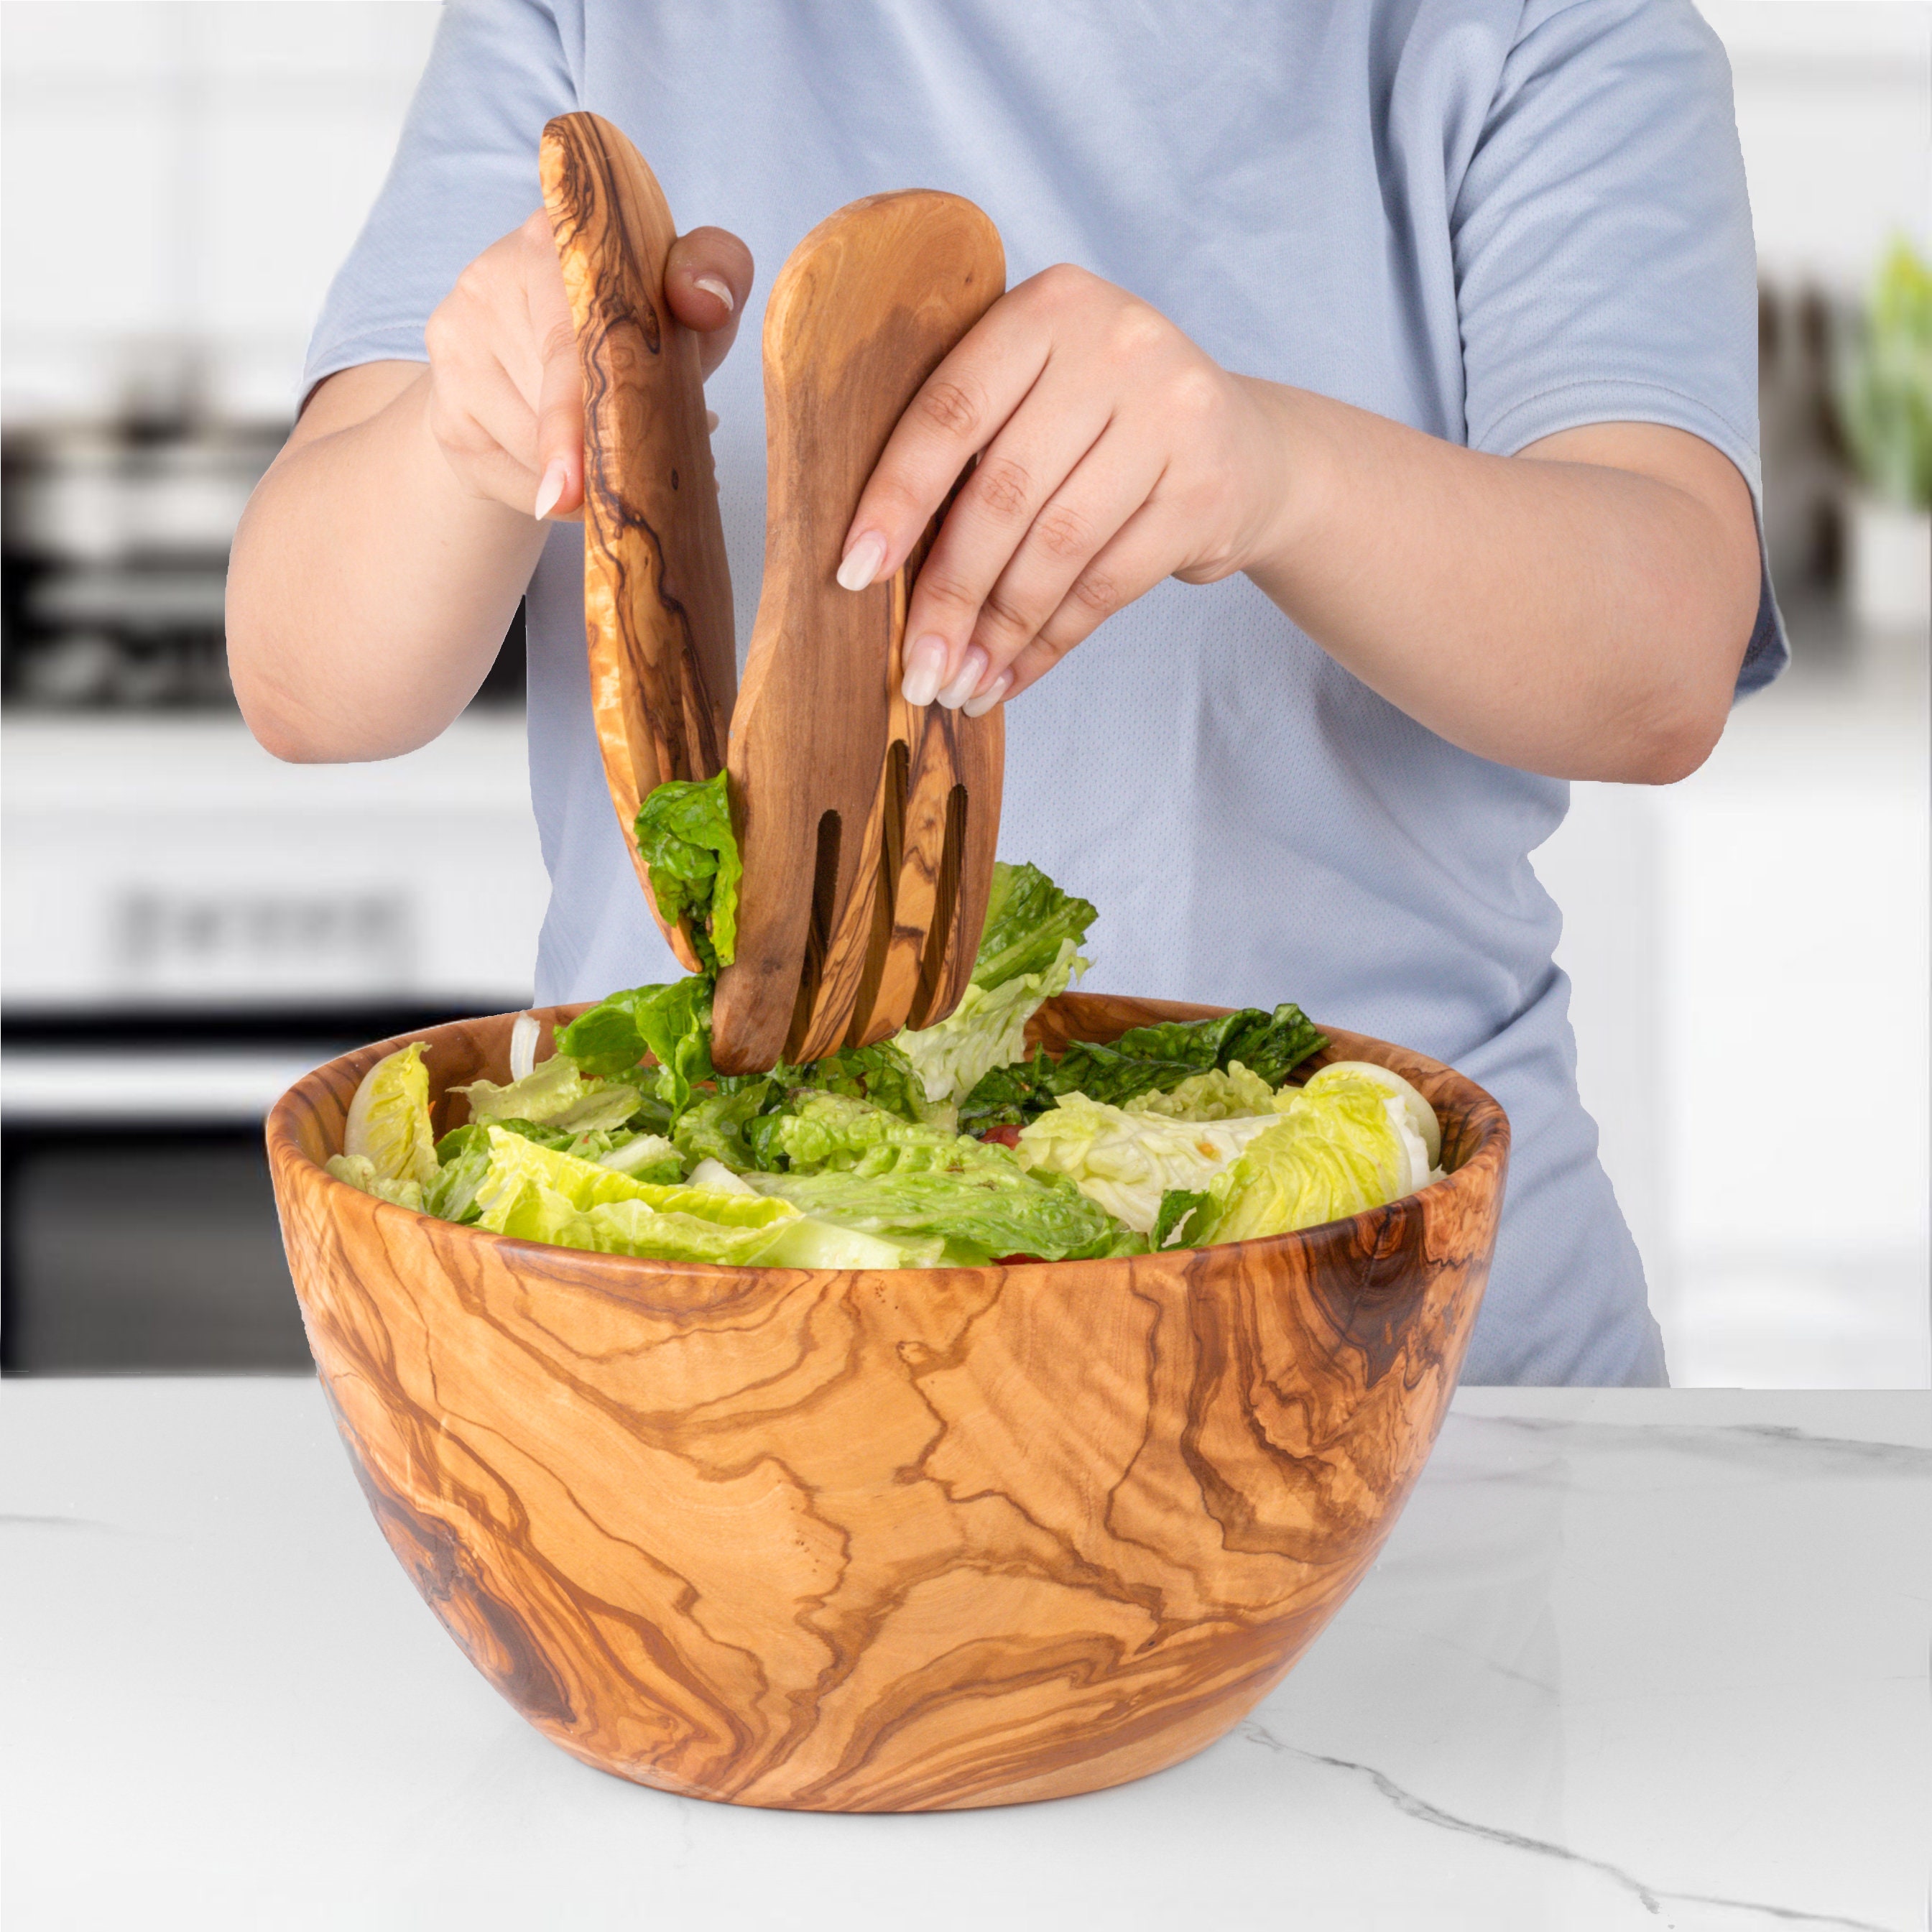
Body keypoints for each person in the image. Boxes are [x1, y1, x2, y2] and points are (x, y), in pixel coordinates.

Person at [226, 0, 1783, 1386]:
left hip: (1390, 1339)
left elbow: (1659, 660)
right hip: (699, 1349)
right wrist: (478, 422)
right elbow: (309, 676)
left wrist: (1273, 470)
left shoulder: (1538, 25)